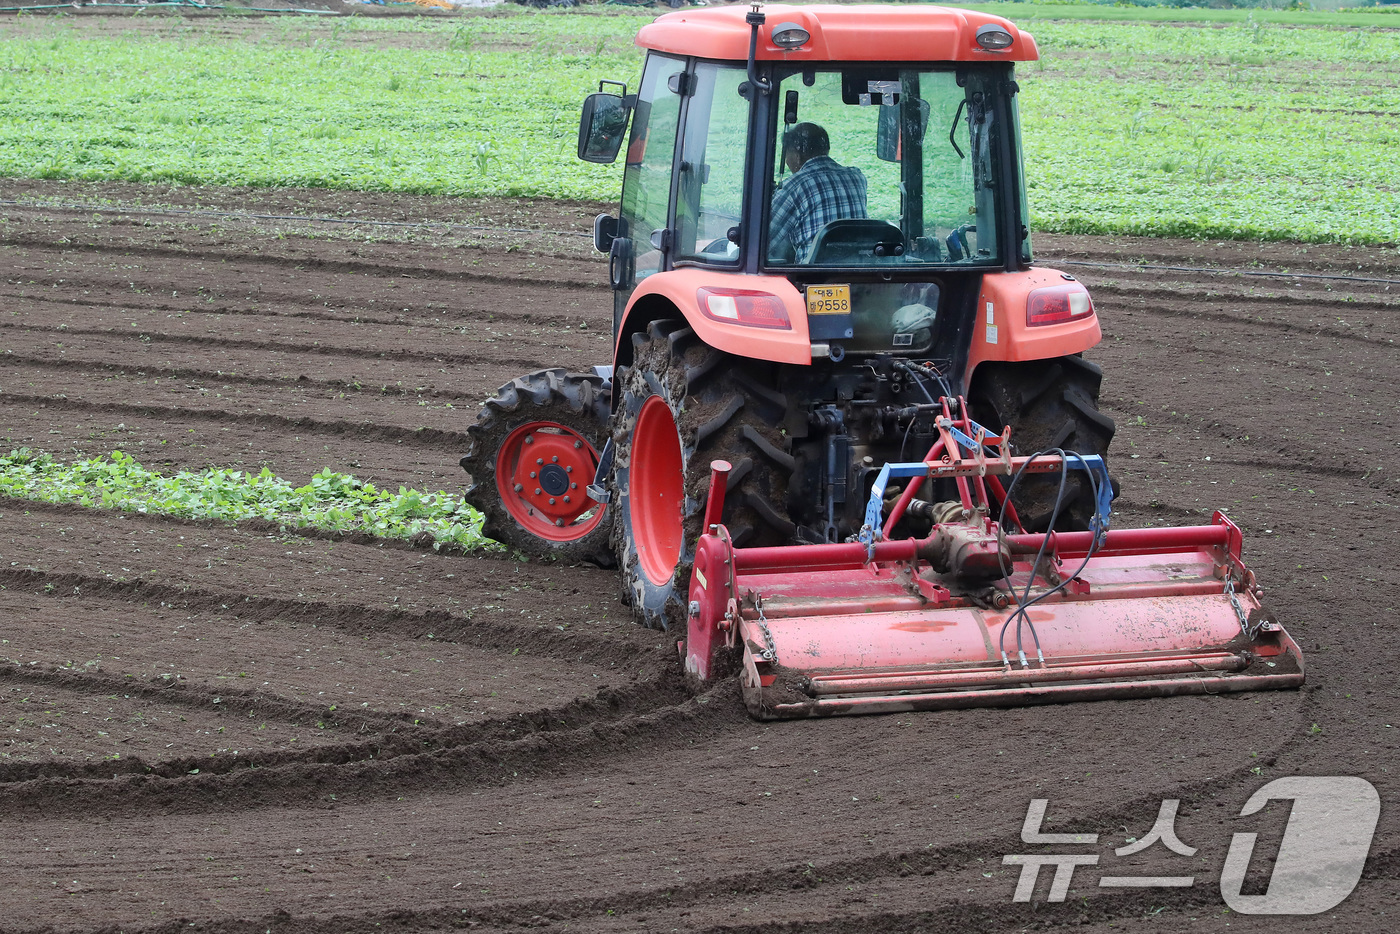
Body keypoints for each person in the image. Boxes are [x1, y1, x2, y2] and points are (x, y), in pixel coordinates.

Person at [768, 122, 869, 259]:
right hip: (856, 268)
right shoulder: (857, 177)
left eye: (786, 155)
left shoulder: (795, 185)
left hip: (813, 271)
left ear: (796, 155)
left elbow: (764, 240)